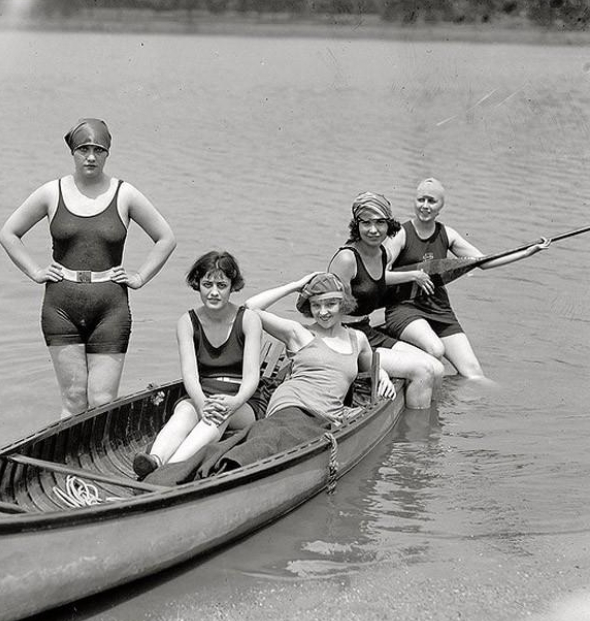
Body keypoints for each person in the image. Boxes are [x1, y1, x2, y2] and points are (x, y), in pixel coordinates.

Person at [144, 272, 395, 485]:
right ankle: (172, 476)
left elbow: (369, 361)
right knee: (267, 439)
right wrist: (296, 285)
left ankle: (191, 470)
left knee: (264, 440)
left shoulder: (356, 339)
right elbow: (251, 309)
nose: (323, 312)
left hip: (326, 415)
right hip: (292, 404)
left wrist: (381, 374)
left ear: (343, 304)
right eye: (316, 305)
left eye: (330, 304)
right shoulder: (299, 333)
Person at [0, 119, 176, 417]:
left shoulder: (125, 193)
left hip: (110, 307)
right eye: (83, 149)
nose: (91, 157)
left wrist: (140, 276)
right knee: (73, 399)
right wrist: (35, 271)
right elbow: (8, 233)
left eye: (98, 150)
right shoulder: (51, 193)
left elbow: (166, 238)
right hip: (60, 307)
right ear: (73, 152)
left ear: (107, 153)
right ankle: (62, 462)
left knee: (103, 399)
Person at [384, 177, 550, 379]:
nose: (425, 206)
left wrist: (527, 252)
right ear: (414, 201)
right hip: (404, 308)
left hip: (439, 309)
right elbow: (380, 275)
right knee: (436, 349)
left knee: (474, 375)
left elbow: (484, 262)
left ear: (440, 207)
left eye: (431, 201)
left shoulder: (448, 234)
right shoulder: (400, 234)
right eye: (421, 200)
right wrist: (413, 275)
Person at [132, 251, 264, 478]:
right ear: (198, 285)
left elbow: (252, 377)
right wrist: (201, 403)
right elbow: (191, 376)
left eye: (222, 285)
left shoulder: (249, 319)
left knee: (220, 412)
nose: (214, 292)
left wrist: (235, 402)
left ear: (233, 286)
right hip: (203, 394)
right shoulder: (187, 322)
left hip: (243, 401)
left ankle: (172, 469)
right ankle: (155, 459)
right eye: (207, 284)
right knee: (184, 410)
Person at [328, 191, 444, 409]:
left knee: (437, 368)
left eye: (380, 223)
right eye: (366, 223)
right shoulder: (347, 258)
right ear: (357, 225)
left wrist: (413, 275)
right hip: (347, 339)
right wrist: (372, 365)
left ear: (389, 225)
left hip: (366, 330)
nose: (373, 230)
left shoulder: (380, 252)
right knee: (424, 371)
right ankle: (415, 439)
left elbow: (376, 279)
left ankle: (424, 424)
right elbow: (327, 307)